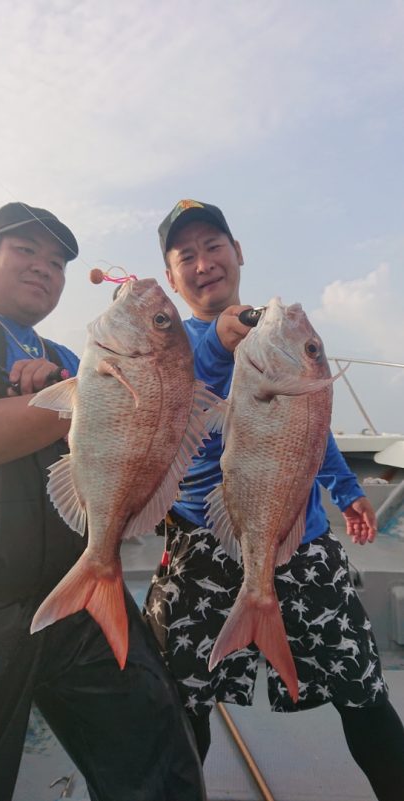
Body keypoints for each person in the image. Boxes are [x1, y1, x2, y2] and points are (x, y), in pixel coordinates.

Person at [143, 198, 404, 800]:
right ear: (171, 275)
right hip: (200, 547)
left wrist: (344, 489)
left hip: (300, 537)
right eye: (188, 255)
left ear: (238, 254)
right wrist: (216, 343)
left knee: (363, 694)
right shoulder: (168, 344)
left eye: (215, 247)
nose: (205, 262)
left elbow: (309, 422)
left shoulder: (274, 337)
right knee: (186, 709)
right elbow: (172, 400)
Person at [0, 202, 206, 801]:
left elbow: (154, 427)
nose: (45, 268)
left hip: (83, 592)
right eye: (26, 251)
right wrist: (83, 396)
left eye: (58, 262)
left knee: (158, 755)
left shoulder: (70, 357)